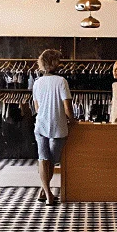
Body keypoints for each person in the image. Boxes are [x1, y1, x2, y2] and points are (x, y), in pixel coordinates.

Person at [31, 49, 74, 206]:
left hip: (41, 124)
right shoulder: (61, 81)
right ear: (55, 63)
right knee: (52, 161)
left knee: (43, 159)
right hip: (58, 126)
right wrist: (73, 121)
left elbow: (37, 108)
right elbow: (67, 108)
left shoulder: (37, 83)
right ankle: (48, 192)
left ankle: (45, 191)